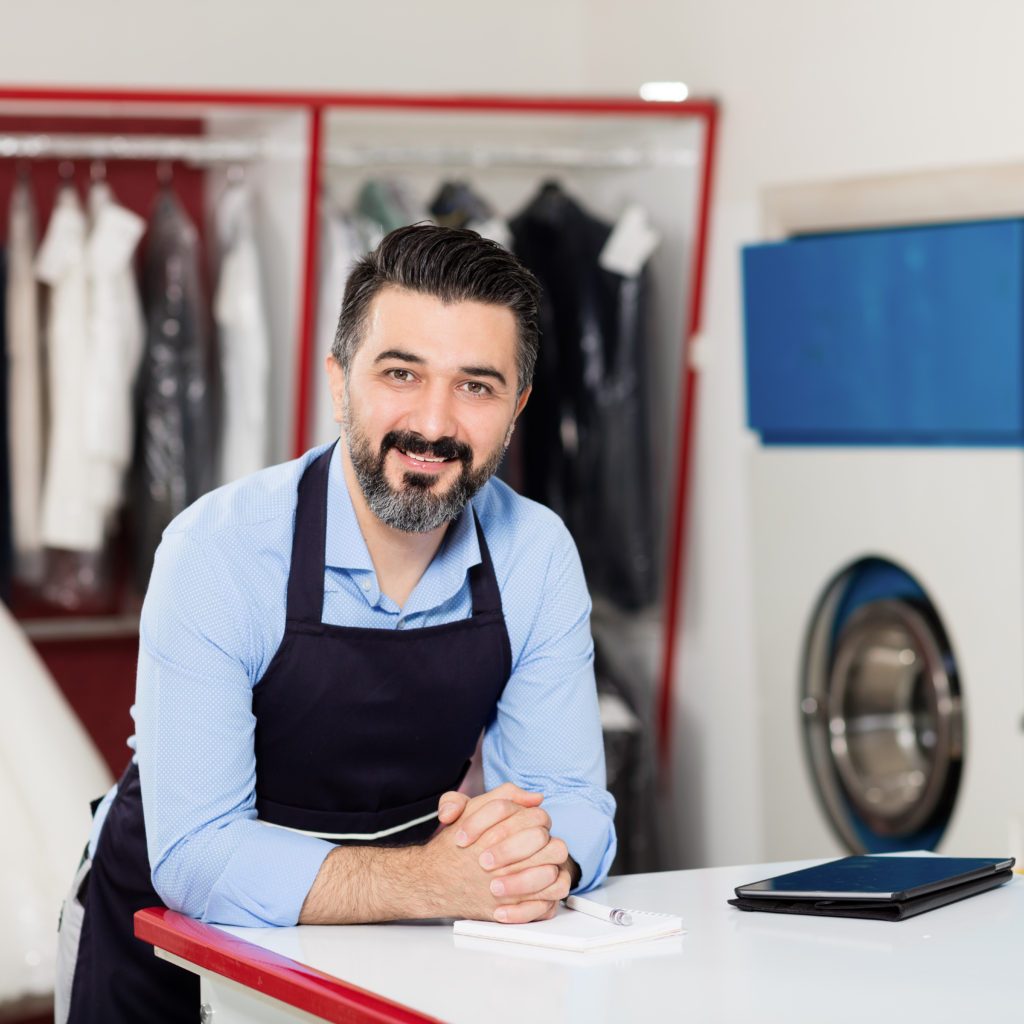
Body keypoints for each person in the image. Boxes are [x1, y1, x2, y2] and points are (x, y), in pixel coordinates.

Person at [57, 224, 616, 1023]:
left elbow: (575, 803)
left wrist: (527, 861)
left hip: (387, 952)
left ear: (519, 406)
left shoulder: (537, 555)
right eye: (401, 373)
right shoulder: (217, 552)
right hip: (160, 951)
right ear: (338, 380)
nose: (434, 423)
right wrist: (434, 880)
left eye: (477, 386)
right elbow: (197, 857)